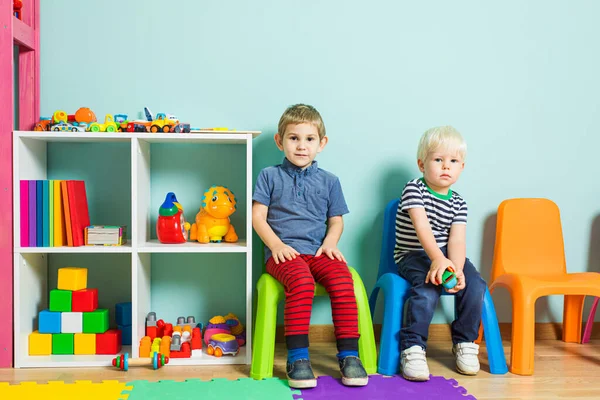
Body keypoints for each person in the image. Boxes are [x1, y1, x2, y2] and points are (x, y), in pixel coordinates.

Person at [252, 104, 368, 389]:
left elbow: (336, 221)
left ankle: (350, 355)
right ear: (280, 141)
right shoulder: (269, 176)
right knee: (302, 283)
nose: (301, 146)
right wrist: (276, 245)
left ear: (321, 143)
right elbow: (258, 217)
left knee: (343, 279)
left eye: (309, 139)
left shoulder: (330, 181)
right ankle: (298, 358)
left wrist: (330, 243)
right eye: (293, 138)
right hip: (284, 254)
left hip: (317, 252)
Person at [394, 125, 486, 381]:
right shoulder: (414, 188)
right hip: (413, 253)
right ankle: (412, 346)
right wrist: (437, 258)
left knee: (476, 284)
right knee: (426, 288)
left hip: (446, 255)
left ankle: (465, 342)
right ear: (422, 163)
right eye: (438, 160)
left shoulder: (458, 202)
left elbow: (456, 239)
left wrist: (455, 267)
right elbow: (422, 227)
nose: (446, 166)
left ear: (462, 167)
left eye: (453, 161)